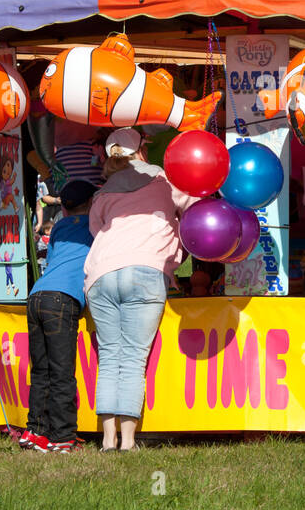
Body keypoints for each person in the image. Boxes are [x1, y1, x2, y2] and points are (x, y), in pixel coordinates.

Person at [84, 128, 198, 451]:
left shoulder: (102, 193)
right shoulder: (164, 180)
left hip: (101, 273)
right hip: (146, 270)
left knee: (110, 356)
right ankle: (128, 442)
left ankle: (108, 440)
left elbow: (96, 230)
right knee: (134, 358)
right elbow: (195, 206)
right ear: (141, 152)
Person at [19, 180, 96, 454]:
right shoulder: (95, 227)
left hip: (37, 295)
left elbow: (52, 260)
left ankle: (35, 430)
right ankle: (63, 436)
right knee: (62, 372)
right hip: (62, 299)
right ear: (92, 202)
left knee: (41, 370)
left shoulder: (61, 227)